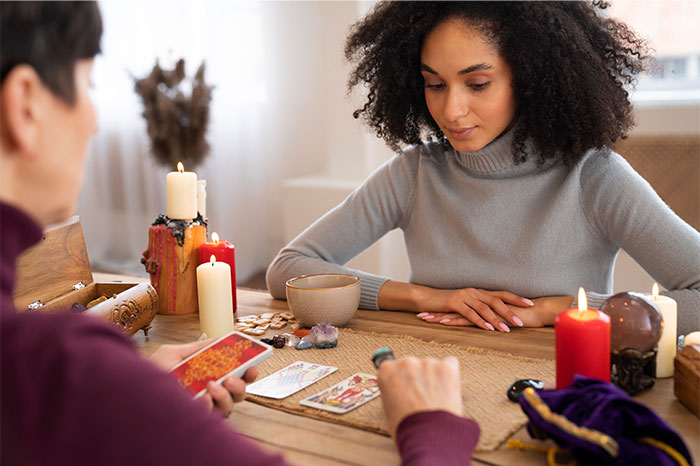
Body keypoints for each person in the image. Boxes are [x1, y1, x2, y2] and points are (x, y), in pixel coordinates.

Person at [0, 2, 479, 465]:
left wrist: (133, 392)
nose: (94, 120)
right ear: (25, 104)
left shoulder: (56, 373)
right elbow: (291, 264)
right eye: (88, 85)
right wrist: (433, 427)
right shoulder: (57, 370)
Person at [266, 1, 700, 336]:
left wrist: (566, 308)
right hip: (437, 375)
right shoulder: (415, 174)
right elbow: (289, 267)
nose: (451, 110)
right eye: (434, 84)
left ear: (528, 79)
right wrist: (432, 296)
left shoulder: (593, 178)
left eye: (477, 84)